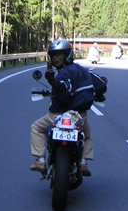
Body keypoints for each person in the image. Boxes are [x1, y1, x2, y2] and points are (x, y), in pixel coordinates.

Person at [30, 39, 103, 176]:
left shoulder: (62, 75)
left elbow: (64, 97)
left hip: (56, 115)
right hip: (79, 116)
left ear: (67, 55)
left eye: (59, 54)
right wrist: (98, 95)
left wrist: (52, 81)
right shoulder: (84, 71)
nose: (55, 58)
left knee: (36, 127)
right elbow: (101, 85)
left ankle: (40, 160)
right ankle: (83, 163)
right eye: (53, 55)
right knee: (86, 136)